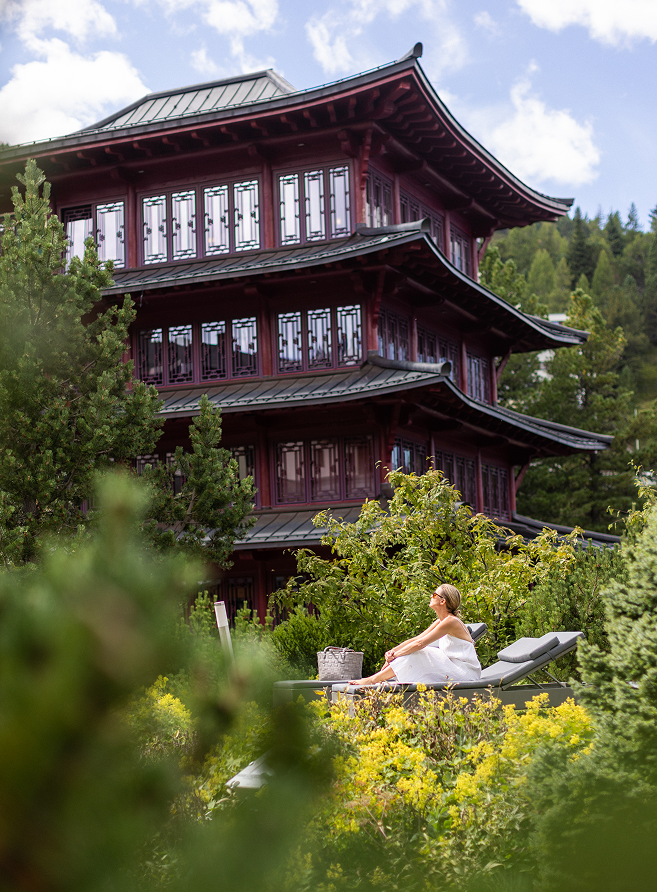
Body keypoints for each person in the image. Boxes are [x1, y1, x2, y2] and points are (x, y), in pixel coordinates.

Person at [349, 583, 481, 686]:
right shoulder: (440, 621)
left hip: (465, 672)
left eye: (435, 594)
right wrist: (392, 651)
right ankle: (376, 678)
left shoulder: (451, 622)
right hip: (453, 666)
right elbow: (417, 638)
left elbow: (420, 644)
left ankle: (373, 680)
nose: (431, 596)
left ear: (443, 601)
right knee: (419, 651)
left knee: (420, 651)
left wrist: (396, 656)